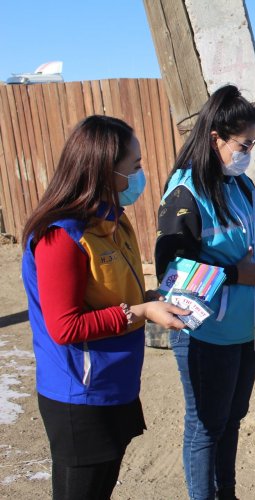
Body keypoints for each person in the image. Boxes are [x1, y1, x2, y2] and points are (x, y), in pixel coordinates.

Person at [155, 85, 255, 500]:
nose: (248, 153)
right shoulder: (185, 193)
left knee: (232, 418)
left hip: (245, 332)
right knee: (205, 426)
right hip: (204, 334)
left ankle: (228, 493)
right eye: (244, 144)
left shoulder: (239, 182)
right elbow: (171, 272)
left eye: (253, 144)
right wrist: (232, 275)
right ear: (216, 138)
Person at [21, 115, 187, 500]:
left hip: (114, 383)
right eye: (136, 166)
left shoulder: (112, 221)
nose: (141, 175)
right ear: (104, 171)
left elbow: (113, 294)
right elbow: (64, 327)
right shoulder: (59, 236)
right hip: (80, 396)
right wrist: (142, 313)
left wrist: (149, 300)